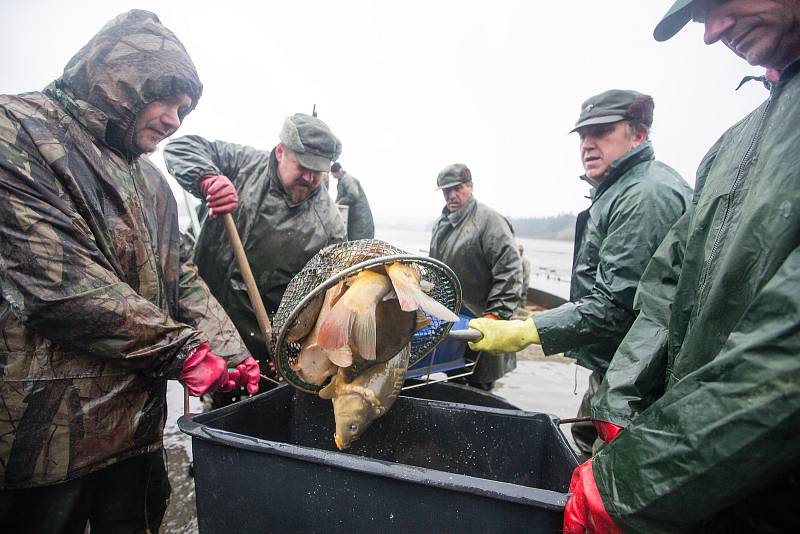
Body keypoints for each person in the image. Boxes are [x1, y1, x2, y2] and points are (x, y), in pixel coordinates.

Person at [0, 10, 257, 532]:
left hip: (134, 434)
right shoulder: (19, 131)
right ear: (121, 79)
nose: (174, 120)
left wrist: (234, 355)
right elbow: (58, 283)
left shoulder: (155, 185)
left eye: (184, 109)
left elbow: (182, 280)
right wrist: (184, 351)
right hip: (43, 437)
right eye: (165, 99)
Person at [469, 90, 692, 455]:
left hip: (644, 379)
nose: (588, 144)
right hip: (616, 368)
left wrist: (528, 331)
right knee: (583, 445)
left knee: (606, 473)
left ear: (639, 134)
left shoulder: (645, 196)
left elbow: (616, 306)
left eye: (602, 132)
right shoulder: (619, 189)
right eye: (583, 136)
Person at [164, 113, 346, 397]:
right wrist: (207, 178)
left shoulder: (330, 225)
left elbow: (323, 303)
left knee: (243, 407)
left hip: (259, 341)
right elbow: (181, 147)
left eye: (318, 171)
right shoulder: (243, 164)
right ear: (280, 152)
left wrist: (291, 350)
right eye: (303, 166)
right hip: (203, 312)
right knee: (201, 395)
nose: (310, 177)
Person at [429, 164, 521, 390]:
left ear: (470, 186)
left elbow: (510, 271)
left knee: (480, 385)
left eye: (457, 188)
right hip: (453, 324)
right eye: (445, 190)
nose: (451, 195)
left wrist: (496, 315)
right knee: (453, 382)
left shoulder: (490, 221)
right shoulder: (441, 224)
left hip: (483, 322)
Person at [330, 162, 375, 240]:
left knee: (359, 244)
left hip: (360, 221)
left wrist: (339, 203)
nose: (331, 175)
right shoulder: (342, 180)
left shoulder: (347, 179)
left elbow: (353, 195)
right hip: (355, 220)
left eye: (332, 173)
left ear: (336, 172)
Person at [516, 242, 531, 310]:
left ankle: (522, 308)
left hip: (524, 282)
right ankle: (519, 308)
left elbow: (526, 272)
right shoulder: (518, 259)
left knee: (523, 295)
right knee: (519, 295)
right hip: (520, 281)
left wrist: (520, 279)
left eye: (520, 250)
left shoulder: (525, 260)